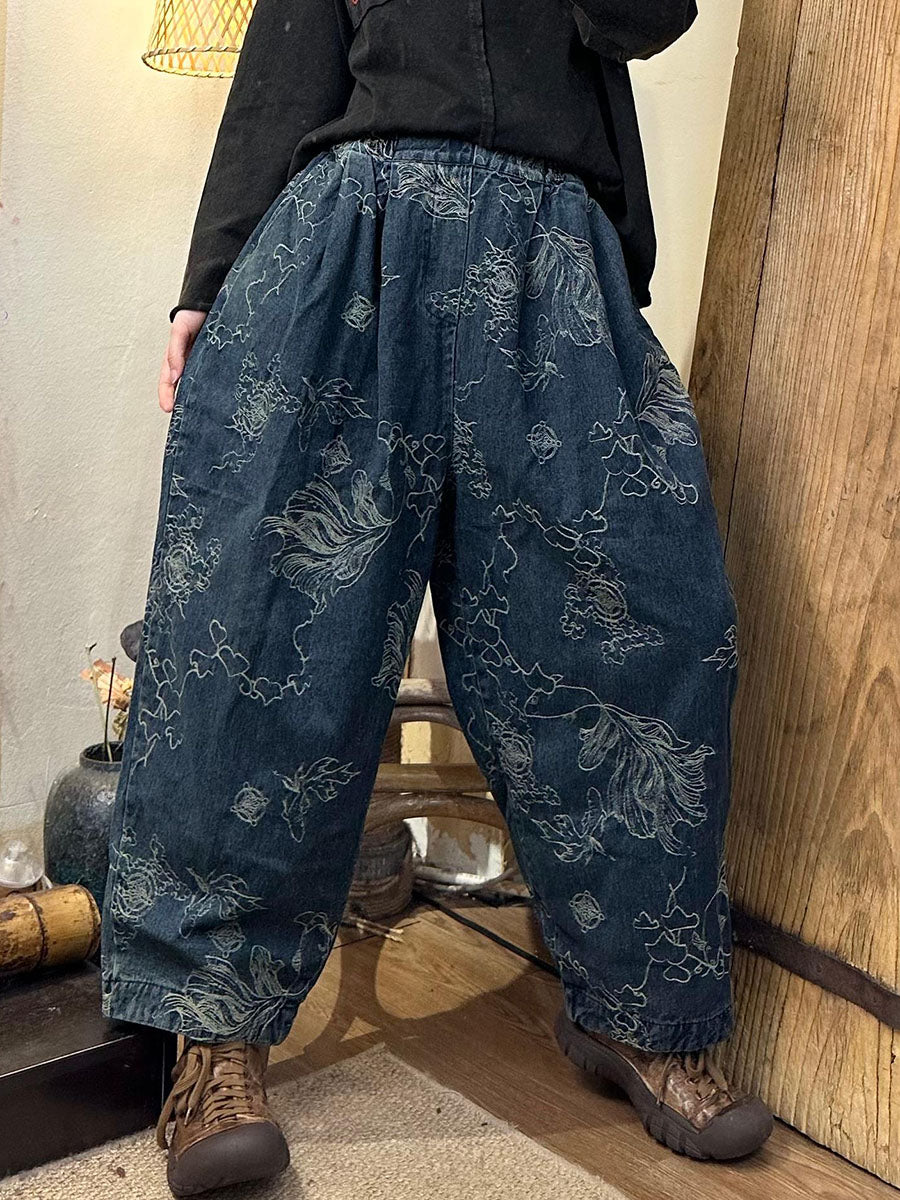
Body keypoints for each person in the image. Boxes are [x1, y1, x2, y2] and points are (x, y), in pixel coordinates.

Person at [100, 0, 774, 1193]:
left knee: (642, 626)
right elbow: (287, 58)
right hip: (344, 237)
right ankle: (215, 1037)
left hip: (555, 258)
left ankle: (638, 1012)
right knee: (258, 637)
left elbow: (646, 15)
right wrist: (207, 280)